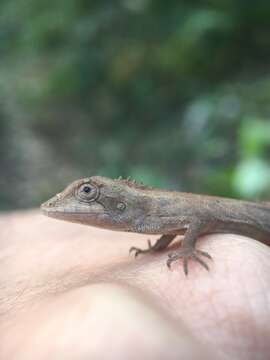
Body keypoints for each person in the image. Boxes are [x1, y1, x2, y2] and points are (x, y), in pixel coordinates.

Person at [0, 210, 269, 359]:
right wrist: (159, 248)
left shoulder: (148, 213)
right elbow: (176, 225)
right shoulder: (149, 215)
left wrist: (187, 249)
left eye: (87, 192)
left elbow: (194, 220)